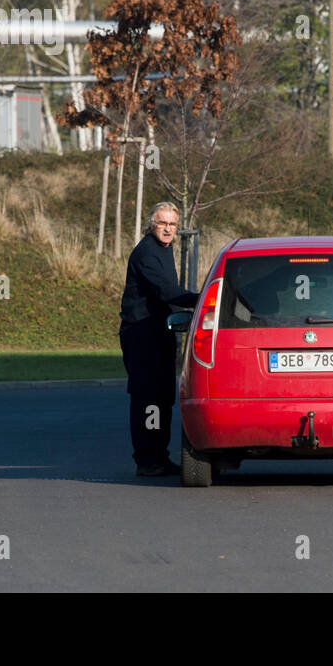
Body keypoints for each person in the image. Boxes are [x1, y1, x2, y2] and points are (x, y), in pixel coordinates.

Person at [119, 201, 199, 476]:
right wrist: (204, 299)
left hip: (160, 333)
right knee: (148, 399)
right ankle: (147, 460)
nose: (168, 229)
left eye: (172, 224)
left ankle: (159, 457)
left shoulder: (165, 249)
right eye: (162, 223)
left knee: (163, 397)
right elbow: (168, 292)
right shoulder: (147, 254)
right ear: (151, 224)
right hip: (141, 335)